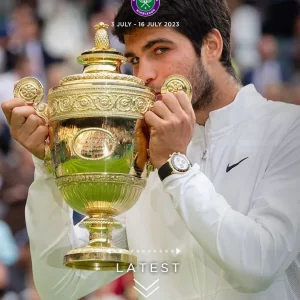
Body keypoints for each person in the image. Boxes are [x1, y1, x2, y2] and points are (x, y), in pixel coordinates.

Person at [2, 0, 300, 299]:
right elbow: (60, 285)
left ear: (211, 45)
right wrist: (49, 166)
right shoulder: (141, 152)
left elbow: (259, 265)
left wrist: (174, 167)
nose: (143, 73)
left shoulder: (289, 129)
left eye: (160, 50)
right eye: (134, 59)